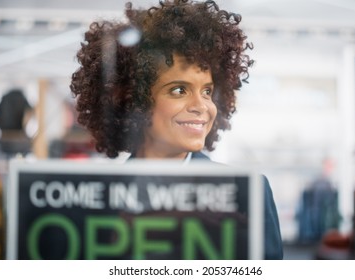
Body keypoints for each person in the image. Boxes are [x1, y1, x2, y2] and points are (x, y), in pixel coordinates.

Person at [70, 0, 282, 259]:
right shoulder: (94, 200)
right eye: (179, 90)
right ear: (134, 100)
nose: (201, 106)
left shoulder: (247, 191)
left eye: (207, 91)